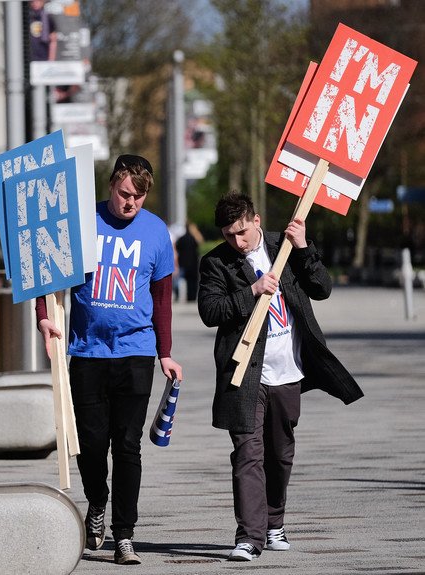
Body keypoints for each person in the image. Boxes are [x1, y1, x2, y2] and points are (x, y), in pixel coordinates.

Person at [198, 191, 363, 562]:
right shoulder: (216, 263)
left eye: (241, 232)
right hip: (243, 373)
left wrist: (303, 248)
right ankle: (249, 537)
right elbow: (210, 311)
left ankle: (274, 523)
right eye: (228, 236)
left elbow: (322, 288)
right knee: (247, 454)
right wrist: (252, 291)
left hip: (288, 370)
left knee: (280, 453)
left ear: (256, 221)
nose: (236, 242)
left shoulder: (285, 246)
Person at [36, 154, 182, 565]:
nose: (130, 202)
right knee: (92, 444)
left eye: (138, 196)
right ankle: (96, 503)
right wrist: (44, 318)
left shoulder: (156, 232)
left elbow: (162, 298)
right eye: (123, 193)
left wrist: (165, 353)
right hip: (87, 351)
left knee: (128, 446)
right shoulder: (82, 222)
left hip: (136, 352)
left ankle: (125, 536)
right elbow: (47, 270)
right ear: (111, 186)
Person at [175, 222, 201, 302]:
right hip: (193, 263)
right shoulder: (194, 239)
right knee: (192, 281)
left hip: (183, 262)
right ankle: (191, 297)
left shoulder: (182, 238)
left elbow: (178, 248)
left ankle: (177, 295)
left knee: (178, 280)